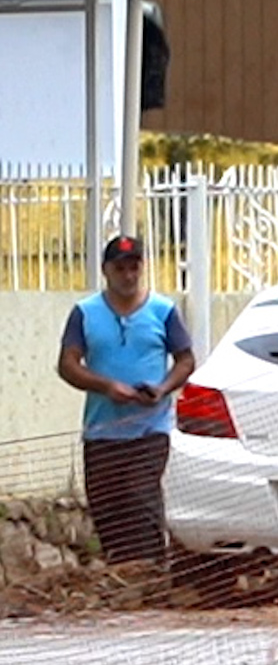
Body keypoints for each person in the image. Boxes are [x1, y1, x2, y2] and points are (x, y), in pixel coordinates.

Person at [57, 233, 196, 566]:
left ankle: (150, 576)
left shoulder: (162, 311)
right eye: (121, 268)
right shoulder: (85, 313)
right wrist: (107, 386)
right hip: (102, 431)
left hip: (149, 429)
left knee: (140, 498)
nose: (129, 276)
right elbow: (67, 364)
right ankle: (119, 578)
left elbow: (186, 360)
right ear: (106, 270)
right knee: (107, 507)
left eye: (134, 267)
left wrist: (162, 389)